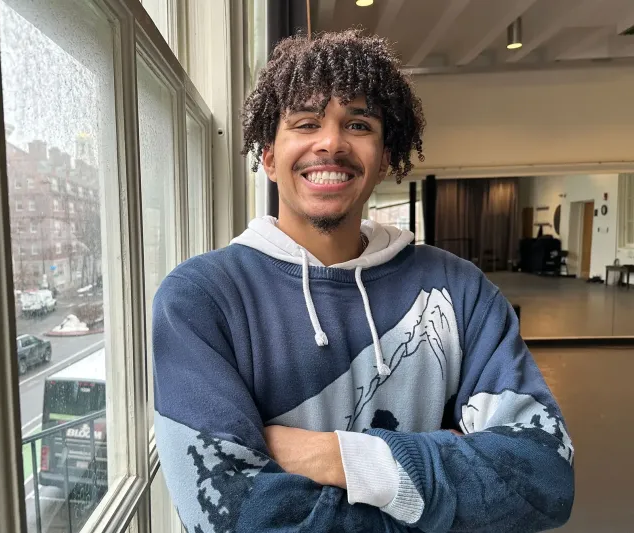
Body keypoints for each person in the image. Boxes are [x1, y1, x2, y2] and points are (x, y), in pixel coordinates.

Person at [153, 31, 574, 533]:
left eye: (358, 124)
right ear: (268, 157)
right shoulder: (201, 299)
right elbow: (230, 515)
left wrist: (336, 456)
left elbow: (545, 475)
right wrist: (445, 477)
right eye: (306, 123)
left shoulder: (460, 290)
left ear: (385, 158)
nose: (331, 143)